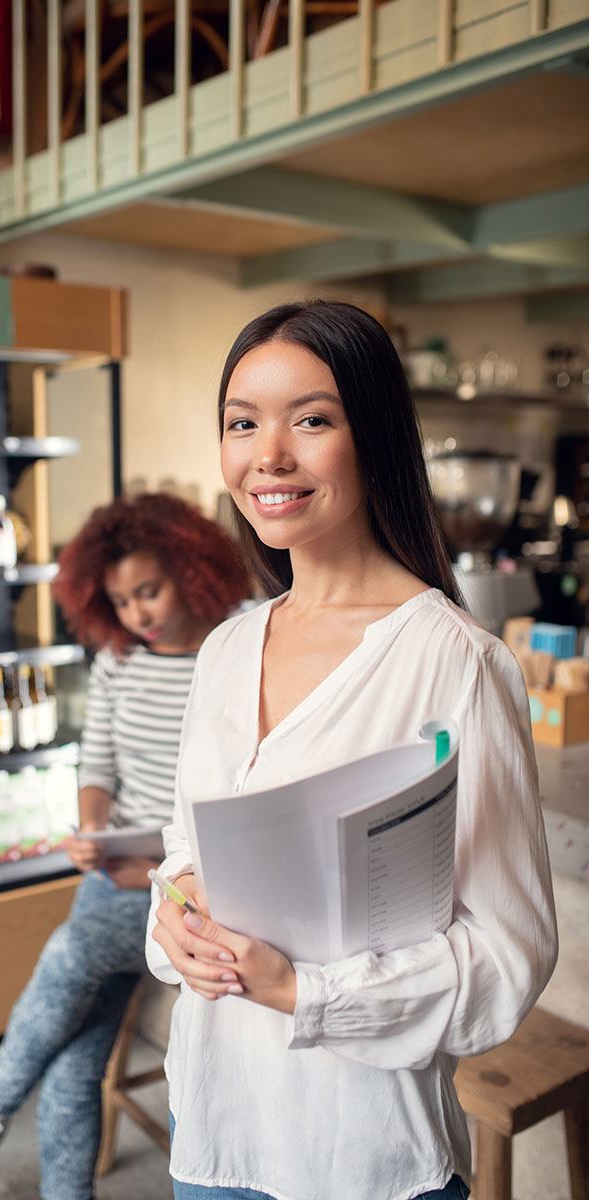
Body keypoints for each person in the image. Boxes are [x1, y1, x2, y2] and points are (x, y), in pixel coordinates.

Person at [147, 300, 559, 1200]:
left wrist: (307, 993)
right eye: (243, 422)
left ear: (373, 438)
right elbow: (185, 856)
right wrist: (173, 920)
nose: (270, 456)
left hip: (365, 1160)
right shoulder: (224, 652)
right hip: (213, 1133)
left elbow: (508, 957)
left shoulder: (458, 663)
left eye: (313, 420)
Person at [0, 492, 250, 1200]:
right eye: (122, 600)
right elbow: (97, 765)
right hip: (119, 872)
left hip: (198, 890)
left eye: (150, 590)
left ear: (190, 567)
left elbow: (249, 796)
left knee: (72, 956)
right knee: (76, 1055)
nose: (138, 613)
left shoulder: (238, 648)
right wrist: (92, 829)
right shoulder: (118, 661)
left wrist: (157, 873)